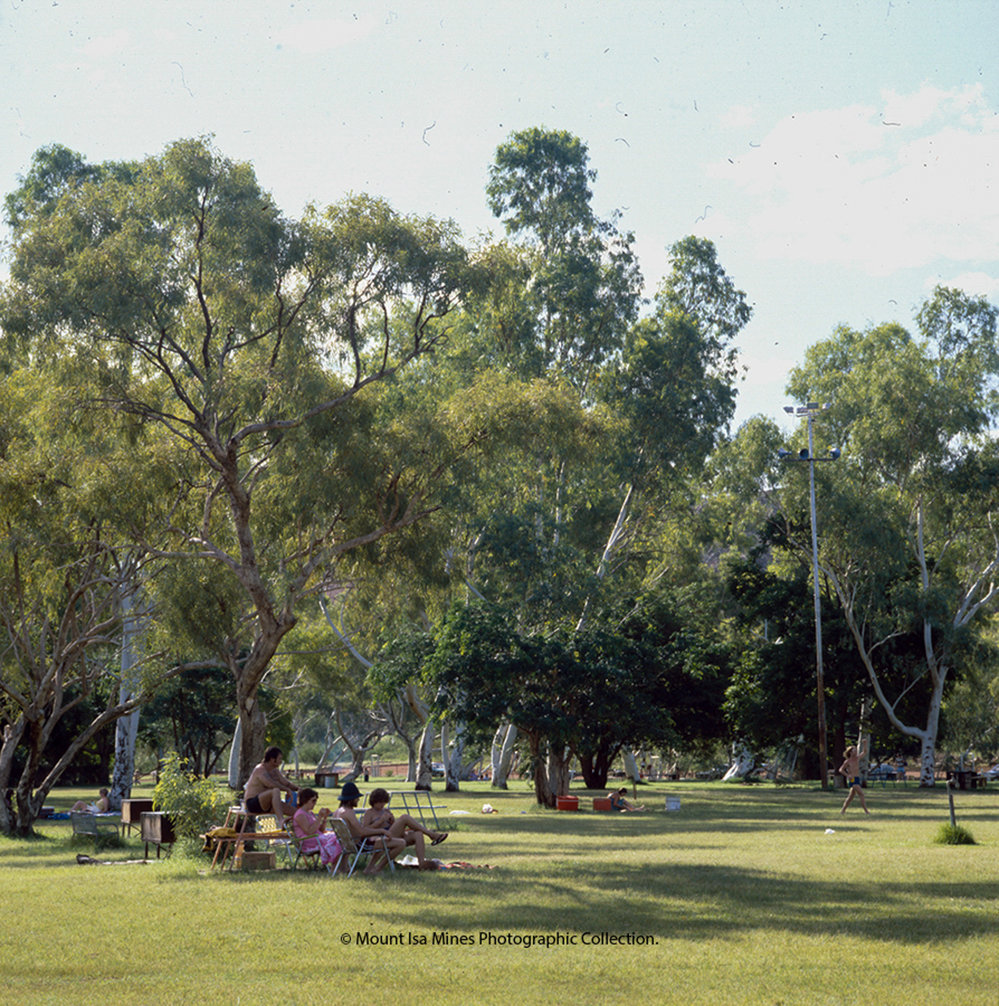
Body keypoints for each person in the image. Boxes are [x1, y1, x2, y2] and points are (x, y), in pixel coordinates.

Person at [361, 787, 448, 871]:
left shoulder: (386, 811)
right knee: (404, 817)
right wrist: (381, 821)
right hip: (381, 837)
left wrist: (392, 821)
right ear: (374, 801)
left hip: (393, 835)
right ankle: (431, 834)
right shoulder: (369, 813)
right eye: (380, 802)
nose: (382, 805)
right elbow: (365, 829)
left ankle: (421, 863)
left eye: (384, 802)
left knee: (418, 833)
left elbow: (393, 826)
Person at [333, 781, 407, 875]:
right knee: (401, 843)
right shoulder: (349, 812)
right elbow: (362, 832)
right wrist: (382, 831)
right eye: (357, 798)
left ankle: (370, 868)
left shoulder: (337, 812)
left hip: (348, 844)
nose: (358, 800)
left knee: (383, 840)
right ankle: (376, 869)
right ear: (351, 799)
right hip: (361, 844)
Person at [243, 746, 299, 828]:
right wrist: (286, 790)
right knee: (275, 790)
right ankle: (281, 820)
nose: (281, 761)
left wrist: (299, 789)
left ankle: (311, 832)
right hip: (253, 804)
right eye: (280, 759)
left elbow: (286, 783)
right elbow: (270, 784)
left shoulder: (275, 770)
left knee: (297, 812)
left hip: (268, 804)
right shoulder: (260, 769)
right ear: (273, 759)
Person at [291, 788, 344, 870]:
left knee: (340, 836)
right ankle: (336, 867)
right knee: (336, 839)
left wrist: (324, 818)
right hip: (307, 841)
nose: (315, 803)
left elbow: (320, 830)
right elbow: (309, 831)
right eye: (313, 801)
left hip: (316, 838)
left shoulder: (310, 813)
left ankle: (340, 866)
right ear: (305, 800)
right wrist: (319, 817)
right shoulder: (300, 815)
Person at [839, 742, 870, 814]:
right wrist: (847, 775)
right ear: (850, 752)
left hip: (857, 778)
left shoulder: (857, 758)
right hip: (852, 779)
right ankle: (866, 811)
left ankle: (842, 811)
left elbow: (865, 752)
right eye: (854, 750)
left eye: (856, 750)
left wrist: (865, 743)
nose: (855, 751)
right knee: (861, 794)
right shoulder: (847, 761)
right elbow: (841, 770)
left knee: (850, 797)